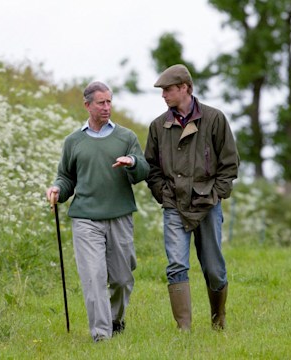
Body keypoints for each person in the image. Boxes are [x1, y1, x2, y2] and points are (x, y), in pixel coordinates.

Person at [46, 81, 149, 342]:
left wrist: (132, 162)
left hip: (119, 216)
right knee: (94, 278)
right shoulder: (74, 141)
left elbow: (143, 171)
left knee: (122, 279)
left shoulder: (126, 137)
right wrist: (57, 189)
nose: (107, 107)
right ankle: (102, 336)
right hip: (86, 219)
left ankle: (116, 320)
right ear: (87, 105)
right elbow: (66, 178)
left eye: (109, 102)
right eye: (101, 103)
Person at [144, 64, 239, 331]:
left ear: (184, 88)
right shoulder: (157, 127)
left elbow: (230, 164)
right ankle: (183, 331)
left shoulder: (215, 119)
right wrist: (163, 194)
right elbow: (150, 168)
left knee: (214, 269)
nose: (163, 95)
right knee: (176, 265)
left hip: (208, 204)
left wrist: (217, 193)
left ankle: (218, 321)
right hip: (174, 204)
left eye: (167, 90)